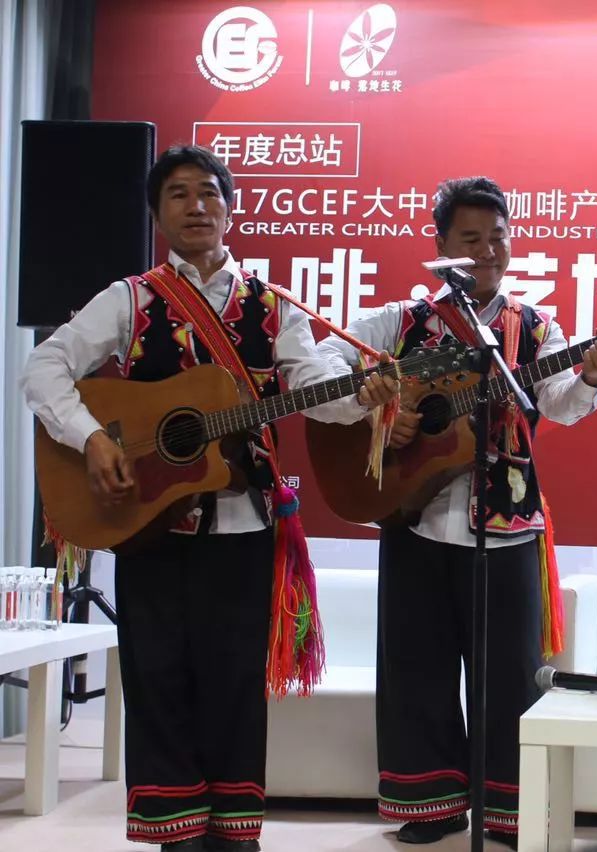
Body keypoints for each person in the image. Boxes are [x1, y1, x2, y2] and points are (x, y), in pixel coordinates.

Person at [21, 145, 398, 851]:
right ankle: (177, 835)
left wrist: (363, 395)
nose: (196, 206)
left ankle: (235, 834)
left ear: (230, 208)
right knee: (156, 679)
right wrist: (93, 439)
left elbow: (314, 387)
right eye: (178, 195)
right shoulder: (130, 299)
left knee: (234, 685)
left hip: (244, 526)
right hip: (149, 525)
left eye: (208, 193)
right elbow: (44, 367)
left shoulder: (273, 305)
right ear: (157, 214)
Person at [317, 176, 597, 848]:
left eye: (497, 238)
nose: (486, 251)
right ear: (441, 246)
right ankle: (429, 808)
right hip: (414, 515)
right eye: (470, 238)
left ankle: (508, 810)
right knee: (416, 668)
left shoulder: (535, 327)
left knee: (510, 675)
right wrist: (378, 408)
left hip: (507, 525)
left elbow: (561, 403)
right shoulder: (400, 321)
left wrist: (594, 372)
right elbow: (323, 364)